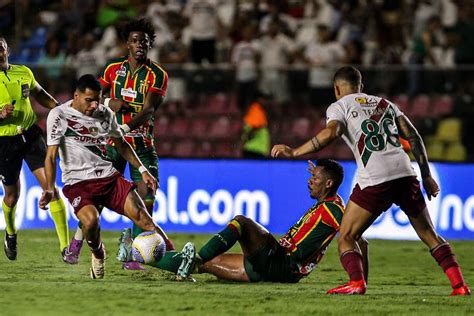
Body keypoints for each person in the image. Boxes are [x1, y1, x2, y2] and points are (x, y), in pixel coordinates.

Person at [271, 66, 470, 296]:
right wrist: (426, 175)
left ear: (337, 88)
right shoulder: (385, 104)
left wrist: (295, 152)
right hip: (406, 172)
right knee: (429, 234)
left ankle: (357, 282)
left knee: (346, 236)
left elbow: (331, 133)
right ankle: (460, 285)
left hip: (376, 178)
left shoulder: (340, 106)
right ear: (361, 87)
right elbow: (414, 136)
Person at [64, 18, 175, 269]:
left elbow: (148, 111)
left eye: (144, 42)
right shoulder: (113, 70)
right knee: (98, 197)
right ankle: (78, 241)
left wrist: (123, 127)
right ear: (127, 43)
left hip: (141, 144)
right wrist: (108, 104)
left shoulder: (158, 75)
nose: (140, 45)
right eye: (135, 41)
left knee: (146, 198)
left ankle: (135, 253)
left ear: (149, 46)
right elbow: (93, 101)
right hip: (111, 145)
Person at [148, 159, 368, 283]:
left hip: (283, 262)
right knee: (205, 264)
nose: (310, 181)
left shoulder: (334, 210)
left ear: (328, 184)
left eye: (315, 179)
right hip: (275, 267)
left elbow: (358, 239)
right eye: (311, 177)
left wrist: (360, 278)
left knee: (242, 222)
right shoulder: (325, 205)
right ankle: (144, 256)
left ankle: (191, 260)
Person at [39, 74, 166, 279]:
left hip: (109, 178)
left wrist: (143, 170)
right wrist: (48, 188)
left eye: (97, 99)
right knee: (90, 222)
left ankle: (177, 263)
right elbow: (51, 156)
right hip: (78, 183)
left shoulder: (104, 113)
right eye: (89, 100)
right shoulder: (59, 115)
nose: (94, 105)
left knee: (147, 222)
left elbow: (122, 144)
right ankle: (98, 254)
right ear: (76, 95)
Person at [0, 37, 69, 261]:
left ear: (7, 50)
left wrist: (59, 109)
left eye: (0, 49)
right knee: (12, 196)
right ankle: (10, 233)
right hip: (5, 142)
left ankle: (66, 248)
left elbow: (39, 94)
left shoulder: (24, 72)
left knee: (52, 188)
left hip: (30, 135)